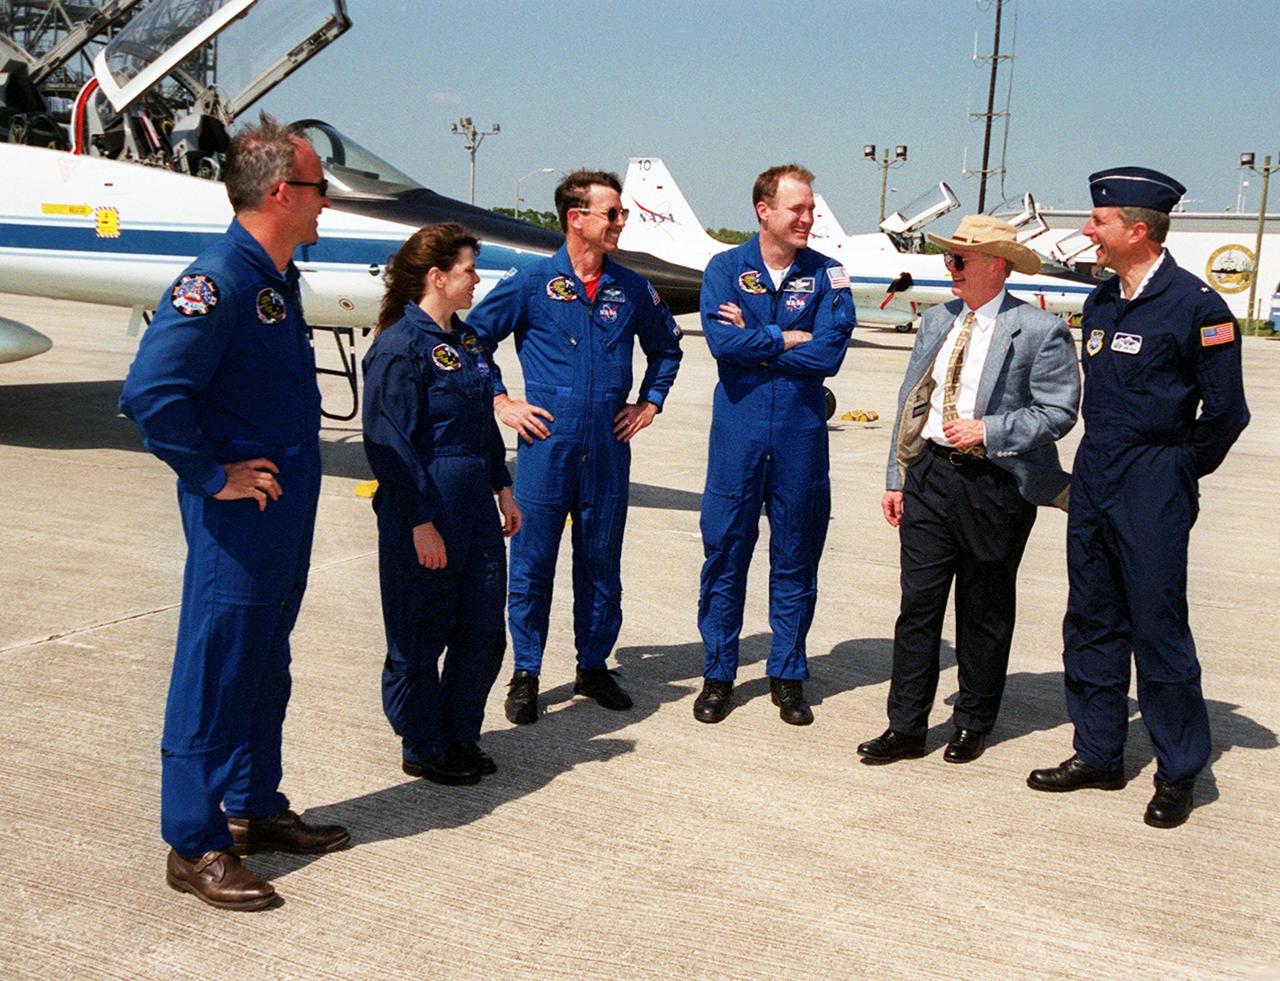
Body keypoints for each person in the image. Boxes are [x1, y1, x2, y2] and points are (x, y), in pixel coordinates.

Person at [118, 113, 349, 912]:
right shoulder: (218, 278)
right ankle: (193, 841)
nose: (328, 202)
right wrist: (210, 474)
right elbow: (151, 394)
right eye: (320, 188)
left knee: (264, 661)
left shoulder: (273, 277)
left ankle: (252, 804)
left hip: (281, 517)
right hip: (239, 523)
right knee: (217, 669)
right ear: (283, 192)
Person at [1028, 167, 1250, 827]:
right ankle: (1098, 751)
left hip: (1155, 474)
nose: (1087, 231)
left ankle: (1179, 771)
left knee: (1158, 628)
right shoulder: (1100, 302)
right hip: (1096, 470)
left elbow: (1227, 413)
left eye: (1098, 222)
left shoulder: (1197, 307)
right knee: (1091, 619)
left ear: (1138, 229)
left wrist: (1177, 471)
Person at [856, 215, 1080, 764]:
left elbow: (1058, 411)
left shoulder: (1038, 329)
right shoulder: (937, 321)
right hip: (931, 475)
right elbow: (912, 402)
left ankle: (973, 722)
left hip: (994, 484)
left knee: (983, 609)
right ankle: (905, 727)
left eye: (959, 259)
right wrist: (898, 476)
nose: (948, 268)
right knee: (918, 607)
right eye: (949, 258)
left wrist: (992, 430)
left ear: (995, 266)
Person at [467, 170, 683, 724]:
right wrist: (502, 402)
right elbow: (472, 342)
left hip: (608, 450)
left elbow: (667, 349)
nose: (619, 223)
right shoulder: (531, 282)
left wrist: (649, 403)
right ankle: (527, 672)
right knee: (533, 565)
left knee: (600, 562)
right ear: (576, 218)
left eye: (620, 215)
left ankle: (592, 665)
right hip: (546, 447)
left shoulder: (632, 288)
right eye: (611, 214)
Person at [692, 164, 855, 726]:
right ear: (764, 211)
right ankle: (719, 674)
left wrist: (754, 339)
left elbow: (829, 355)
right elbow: (721, 343)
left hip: (800, 439)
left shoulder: (829, 275)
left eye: (811, 208)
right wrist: (784, 335)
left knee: (795, 557)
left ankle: (787, 674)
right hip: (737, 437)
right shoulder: (724, 269)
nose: (808, 219)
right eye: (798, 209)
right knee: (726, 554)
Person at [361, 224, 521, 785]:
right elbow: (388, 446)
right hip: (426, 506)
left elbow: (481, 422)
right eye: (469, 270)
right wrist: (420, 522)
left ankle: (460, 735)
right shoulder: (398, 348)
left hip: (475, 504)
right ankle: (423, 743)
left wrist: (503, 486)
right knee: (420, 631)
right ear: (438, 277)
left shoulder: (469, 342)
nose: (477, 279)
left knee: (481, 629)